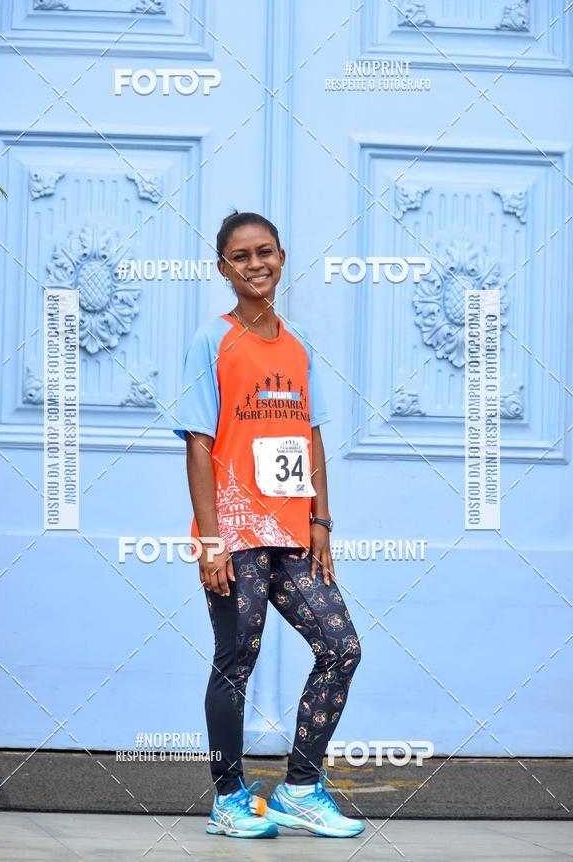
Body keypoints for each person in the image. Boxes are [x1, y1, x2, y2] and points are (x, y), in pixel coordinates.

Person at [173, 211, 363, 839]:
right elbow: (199, 443)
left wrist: (322, 523)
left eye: (265, 252)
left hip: (293, 531)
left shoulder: (300, 341)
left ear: (282, 257)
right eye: (240, 256)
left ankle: (301, 789)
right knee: (237, 659)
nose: (255, 264)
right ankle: (228, 799)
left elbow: (310, 437)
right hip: (236, 532)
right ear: (223, 268)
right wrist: (210, 539)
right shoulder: (212, 340)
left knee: (341, 647)